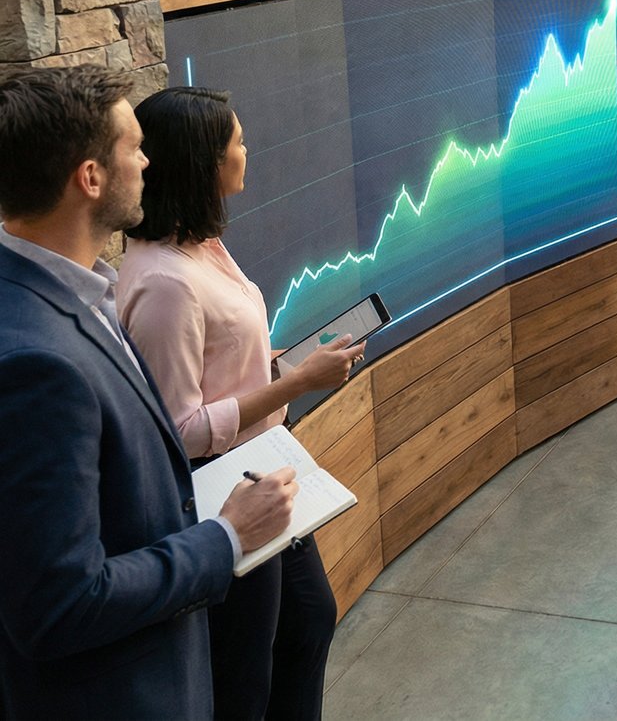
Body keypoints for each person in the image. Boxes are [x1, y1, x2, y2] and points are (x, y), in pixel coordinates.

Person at [0, 67, 296, 721]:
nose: (147, 160)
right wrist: (224, 536)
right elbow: (59, 604)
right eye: (134, 145)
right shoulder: (34, 361)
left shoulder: (79, 291)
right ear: (90, 177)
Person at [118, 87, 364, 721]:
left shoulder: (202, 246)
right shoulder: (164, 282)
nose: (247, 150)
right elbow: (179, 429)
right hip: (228, 486)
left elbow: (216, 365)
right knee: (246, 676)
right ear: (206, 163)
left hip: (263, 464)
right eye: (237, 141)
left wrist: (271, 365)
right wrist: (297, 383)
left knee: (308, 621)